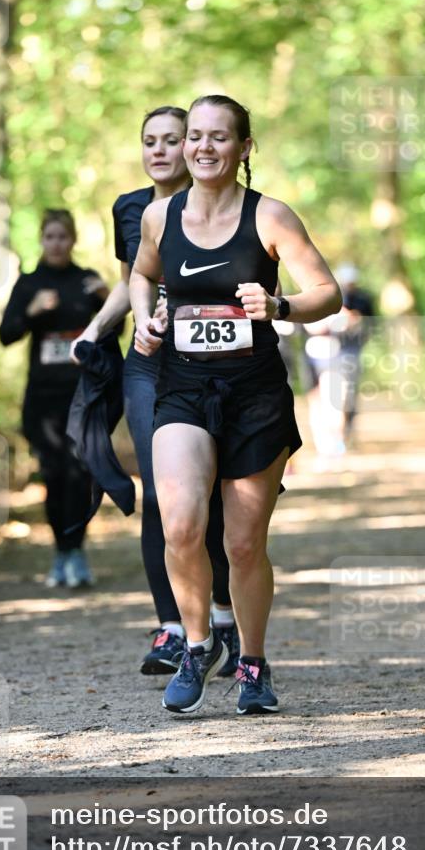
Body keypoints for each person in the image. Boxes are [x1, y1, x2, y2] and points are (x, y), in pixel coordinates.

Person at [130, 94, 341, 715]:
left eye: (220, 137)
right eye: (195, 135)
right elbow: (141, 274)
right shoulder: (160, 217)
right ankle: (196, 645)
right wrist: (147, 320)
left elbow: (326, 293)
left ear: (244, 147)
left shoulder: (270, 216)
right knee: (181, 524)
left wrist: (280, 307)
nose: (202, 148)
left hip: (254, 393)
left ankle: (252, 661)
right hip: (183, 386)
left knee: (245, 544)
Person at [74, 107, 237, 676]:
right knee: (164, 491)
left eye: (173, 140)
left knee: (213, 494)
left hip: (210, 362)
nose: (161, 151)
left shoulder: (224, 201)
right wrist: (95, 330)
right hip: (146, 363)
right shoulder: (129, 208)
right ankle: (172, 628)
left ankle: (224, 617)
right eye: (150, 142)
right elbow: (130, 282)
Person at [0, 208, 108, 588]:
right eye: (50, 237)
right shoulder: (30, 284)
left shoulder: (86, 281)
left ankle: (76, 551)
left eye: (63, 237)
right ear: (42, 240)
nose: (57, 244)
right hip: (42, 401)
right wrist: (32, 311)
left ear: (73, 239)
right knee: (55, 474)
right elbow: (6, 333)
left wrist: (106, 297)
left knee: (81, 472)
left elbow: (118, 329)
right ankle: (61, 553)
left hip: (83, 396)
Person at [303, 262, 375, 462]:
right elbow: (308, 327)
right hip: (314, 356)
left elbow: (367, 325)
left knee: (337, 398)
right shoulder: (311, 298)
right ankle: (324, 445)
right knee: (318, 400)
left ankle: (338, 440)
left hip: (341, 355)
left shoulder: (361, 300)